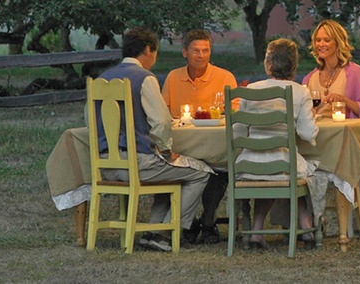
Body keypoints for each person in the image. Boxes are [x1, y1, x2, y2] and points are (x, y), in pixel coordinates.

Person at [96, 27, 210, 252]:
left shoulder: (102, 79)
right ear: (148, 50)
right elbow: (161, 122)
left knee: (168, 173)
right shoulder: (144, 78)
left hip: (105, 164)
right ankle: (166, 232)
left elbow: (92, 124)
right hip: (137, 162)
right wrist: (167, 150)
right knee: (200, 172)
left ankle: (153, 232)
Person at [235, 38, 319, 249]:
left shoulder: (250, 89)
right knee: (305, 172)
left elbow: (238, 131)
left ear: (269, 63)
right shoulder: (300, 91)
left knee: (276, 172)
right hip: (283, 165)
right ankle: (307, 227)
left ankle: (256, 231)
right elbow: (308, 134)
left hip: (249, 165)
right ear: (294, 64)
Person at [161, 29, 239, 244]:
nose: (201, 55)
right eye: (196, 50)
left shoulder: (224, 77)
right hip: (184, 147)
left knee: (217, 169)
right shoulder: (174, 77)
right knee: (189, 167)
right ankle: (191, 222)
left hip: (216, 147)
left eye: (206, 50)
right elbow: (164, 113)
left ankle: (207, 220)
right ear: (184, 52)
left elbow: (235, 113)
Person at [302, 19, 360, 119]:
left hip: (343, 132)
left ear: (338, 43)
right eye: (318, 40)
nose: (321, 44)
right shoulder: (309, 78)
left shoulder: (354, 72)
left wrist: (344, 100)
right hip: (316, 133)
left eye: (327, 40)